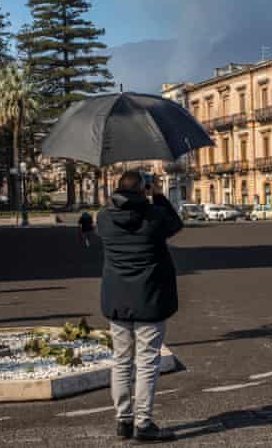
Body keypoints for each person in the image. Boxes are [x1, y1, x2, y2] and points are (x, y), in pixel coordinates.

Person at [95, 171, 183, 442]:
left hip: (117, 298)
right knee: (146, 363)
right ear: (143, 189)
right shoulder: (154, 217)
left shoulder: (104, 217)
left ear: (117, 189)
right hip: (150, 297)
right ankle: (143, 423)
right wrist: (157, 193)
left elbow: (110, 210)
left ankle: (123, 420)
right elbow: (176, 224)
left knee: (121, 361)